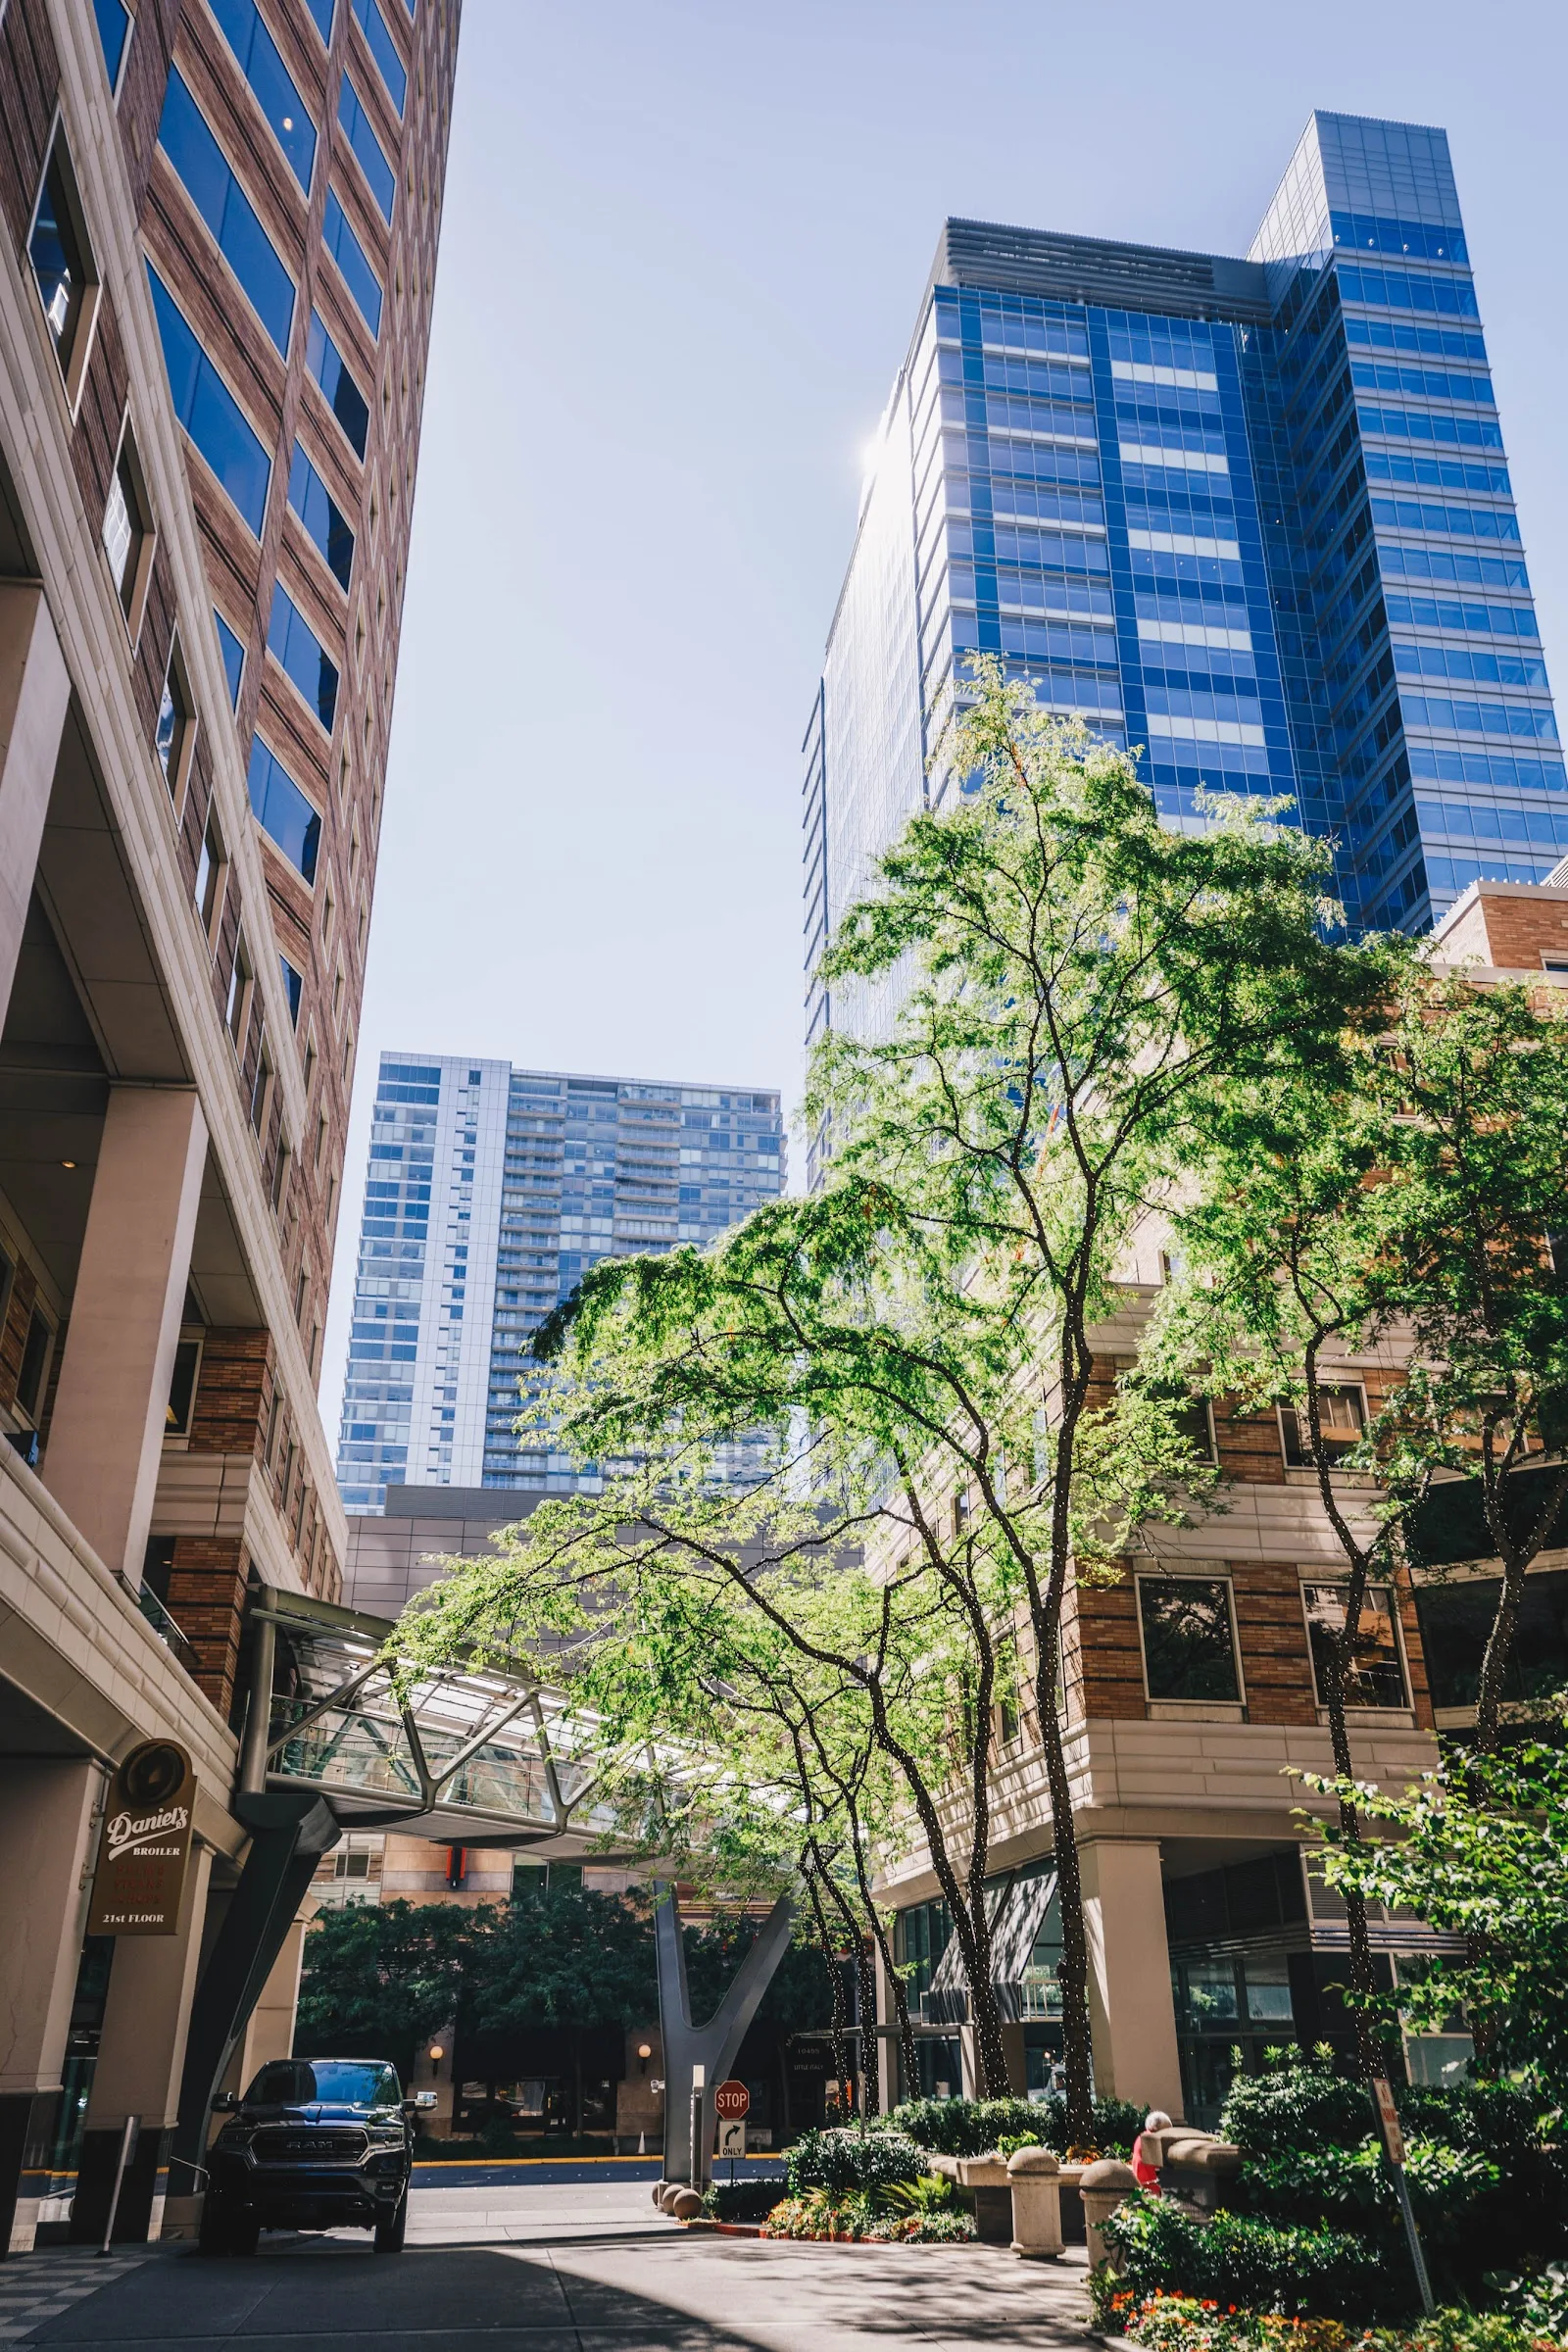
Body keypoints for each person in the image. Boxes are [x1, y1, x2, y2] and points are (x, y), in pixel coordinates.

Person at [1133, 2109, 1172, 2191]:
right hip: (1150, 2186)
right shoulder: (1152, 2139)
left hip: (1142, 2182)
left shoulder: (1142, 2137)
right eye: (1167, 2130)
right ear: (1156, 2127)